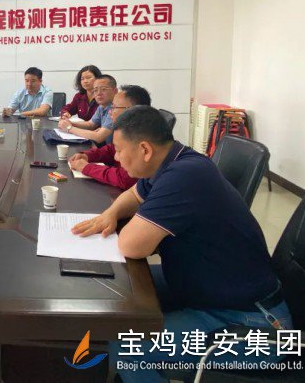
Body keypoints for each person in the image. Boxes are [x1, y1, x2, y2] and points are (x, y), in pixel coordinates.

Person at [71, 106, 292, 383]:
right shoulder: (173, 161)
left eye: (119, 150)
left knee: (126, 345)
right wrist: (111, 213)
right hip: (207, 289)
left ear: (145, 150)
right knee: (119, 290)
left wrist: (141, 219)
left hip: (252, 325)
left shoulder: (184, 177)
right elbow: (134, 194)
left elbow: (131, 245)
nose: (115, 157)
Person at [68, 85, 150, 189]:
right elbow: (111, 150)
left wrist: (87, 167)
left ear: (132, 110)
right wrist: (87, 156)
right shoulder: (126, 130)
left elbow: (124, 179)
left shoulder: (142, 138)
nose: (110, 112)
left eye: (114, 107)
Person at [58, 74, 117, 144]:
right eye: (95, 90)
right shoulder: (102, 106)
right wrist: (70, 123)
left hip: (115, 149)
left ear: (115, 91)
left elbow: (99, 137)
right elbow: (90, 124)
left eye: (104, 89)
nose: (98, 93)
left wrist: (69, 128)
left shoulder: (116, 108)